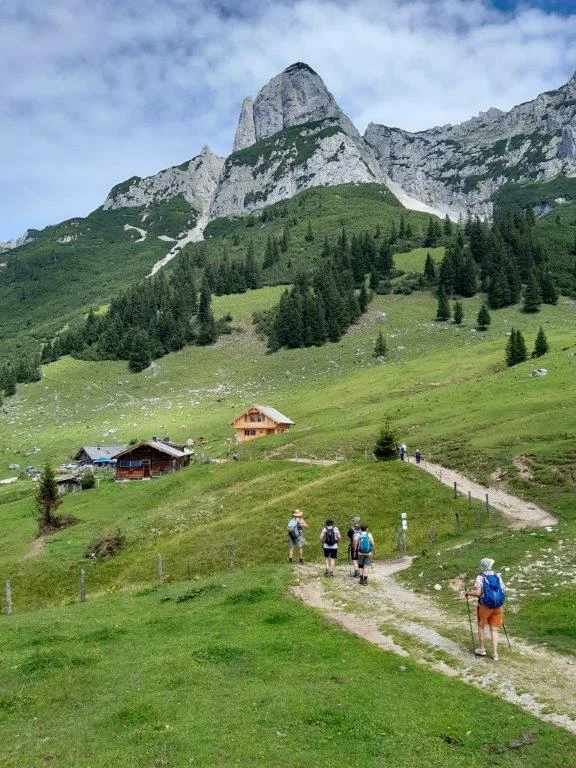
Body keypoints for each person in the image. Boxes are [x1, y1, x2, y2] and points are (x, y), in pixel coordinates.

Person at [465, 557, 506, 661]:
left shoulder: (481, 577)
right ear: (491, 566)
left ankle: (482, 649)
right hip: (498, 607)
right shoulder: (498, 576)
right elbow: (503, 590)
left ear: (482, 566)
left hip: (485, 607)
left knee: (481, 625)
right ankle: (495, 654)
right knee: (494, 629)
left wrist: (468, 593)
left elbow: (478, 593)